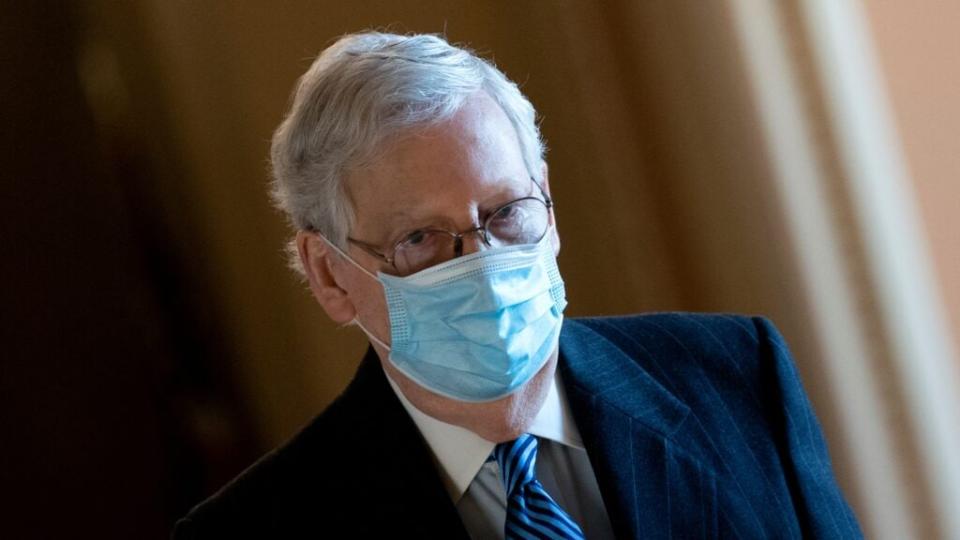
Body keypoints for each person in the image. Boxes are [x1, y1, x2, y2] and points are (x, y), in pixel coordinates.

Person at [174, 31, 862, 539]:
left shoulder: (735, 376)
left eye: (505, 214)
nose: (484, 267)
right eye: (420, 240)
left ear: (548, 204)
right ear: (330, 275)